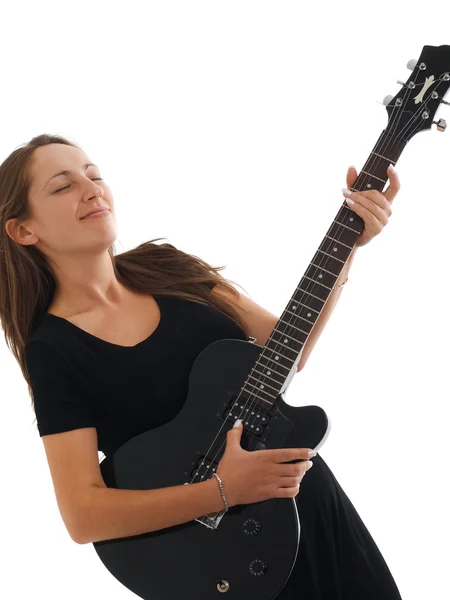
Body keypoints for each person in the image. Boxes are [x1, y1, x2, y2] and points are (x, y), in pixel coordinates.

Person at [0, 134, 403, 599]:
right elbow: (83, 514)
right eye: (62, 186)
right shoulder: (54, 349)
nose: (92, 190)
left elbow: (290, 348)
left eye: (94, 175)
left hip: (307, 500)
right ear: (24, 230)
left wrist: (350, 241)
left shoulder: (165, 266)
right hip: (222, 559)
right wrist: (225, 490)